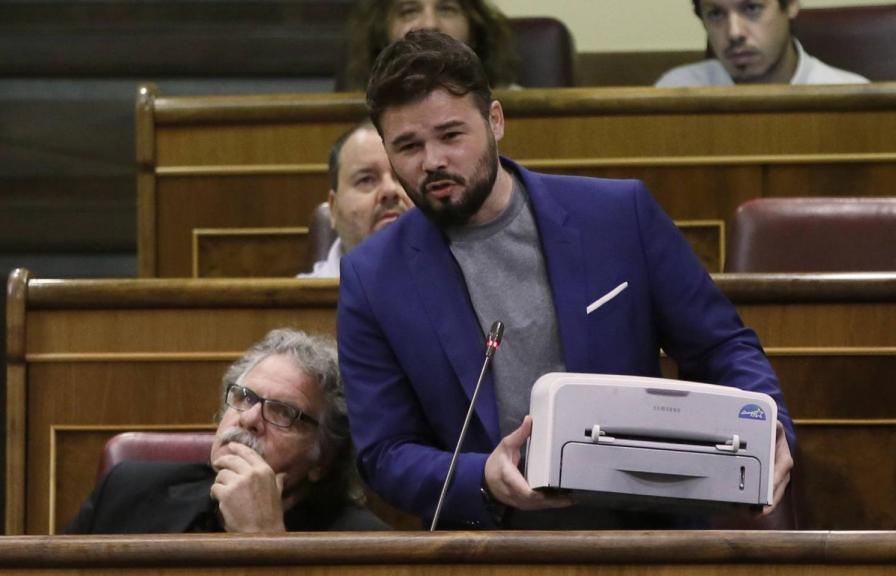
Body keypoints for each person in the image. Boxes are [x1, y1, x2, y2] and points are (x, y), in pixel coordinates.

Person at [337, 29, 795, 530]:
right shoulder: (372, 276)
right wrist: (482, 477)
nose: (433, 162)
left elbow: (721, 346)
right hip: (493, 541)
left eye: (451, 135)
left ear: (495, 121)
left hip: (644, 529)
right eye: (408, 146)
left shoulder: (617, 216)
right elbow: (384, 452)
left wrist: (770, 430)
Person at [66, 329, 388, 533]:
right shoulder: (127, 491)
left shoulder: (362, 546)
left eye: (282, 412)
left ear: (323, 458)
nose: (249, 419)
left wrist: (264, 541)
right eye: (244, 397)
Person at [657, 0, 868, 86]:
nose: (734, 33)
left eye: (751, 8)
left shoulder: (851, 99)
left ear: (790, 5)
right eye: (716, 14)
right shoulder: (676, 92)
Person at [299, 121, 412, 278]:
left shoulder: (448, 282)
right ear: (333, 208)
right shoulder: (297, 294)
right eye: (366, 179)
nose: (390, 190)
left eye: (401, 176)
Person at [338, 0, 517, 91]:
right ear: (381, 33)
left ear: (475, 28)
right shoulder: (351, 119)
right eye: (409, 11)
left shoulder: (521, 112)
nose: (430, 24)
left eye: (446, 9)